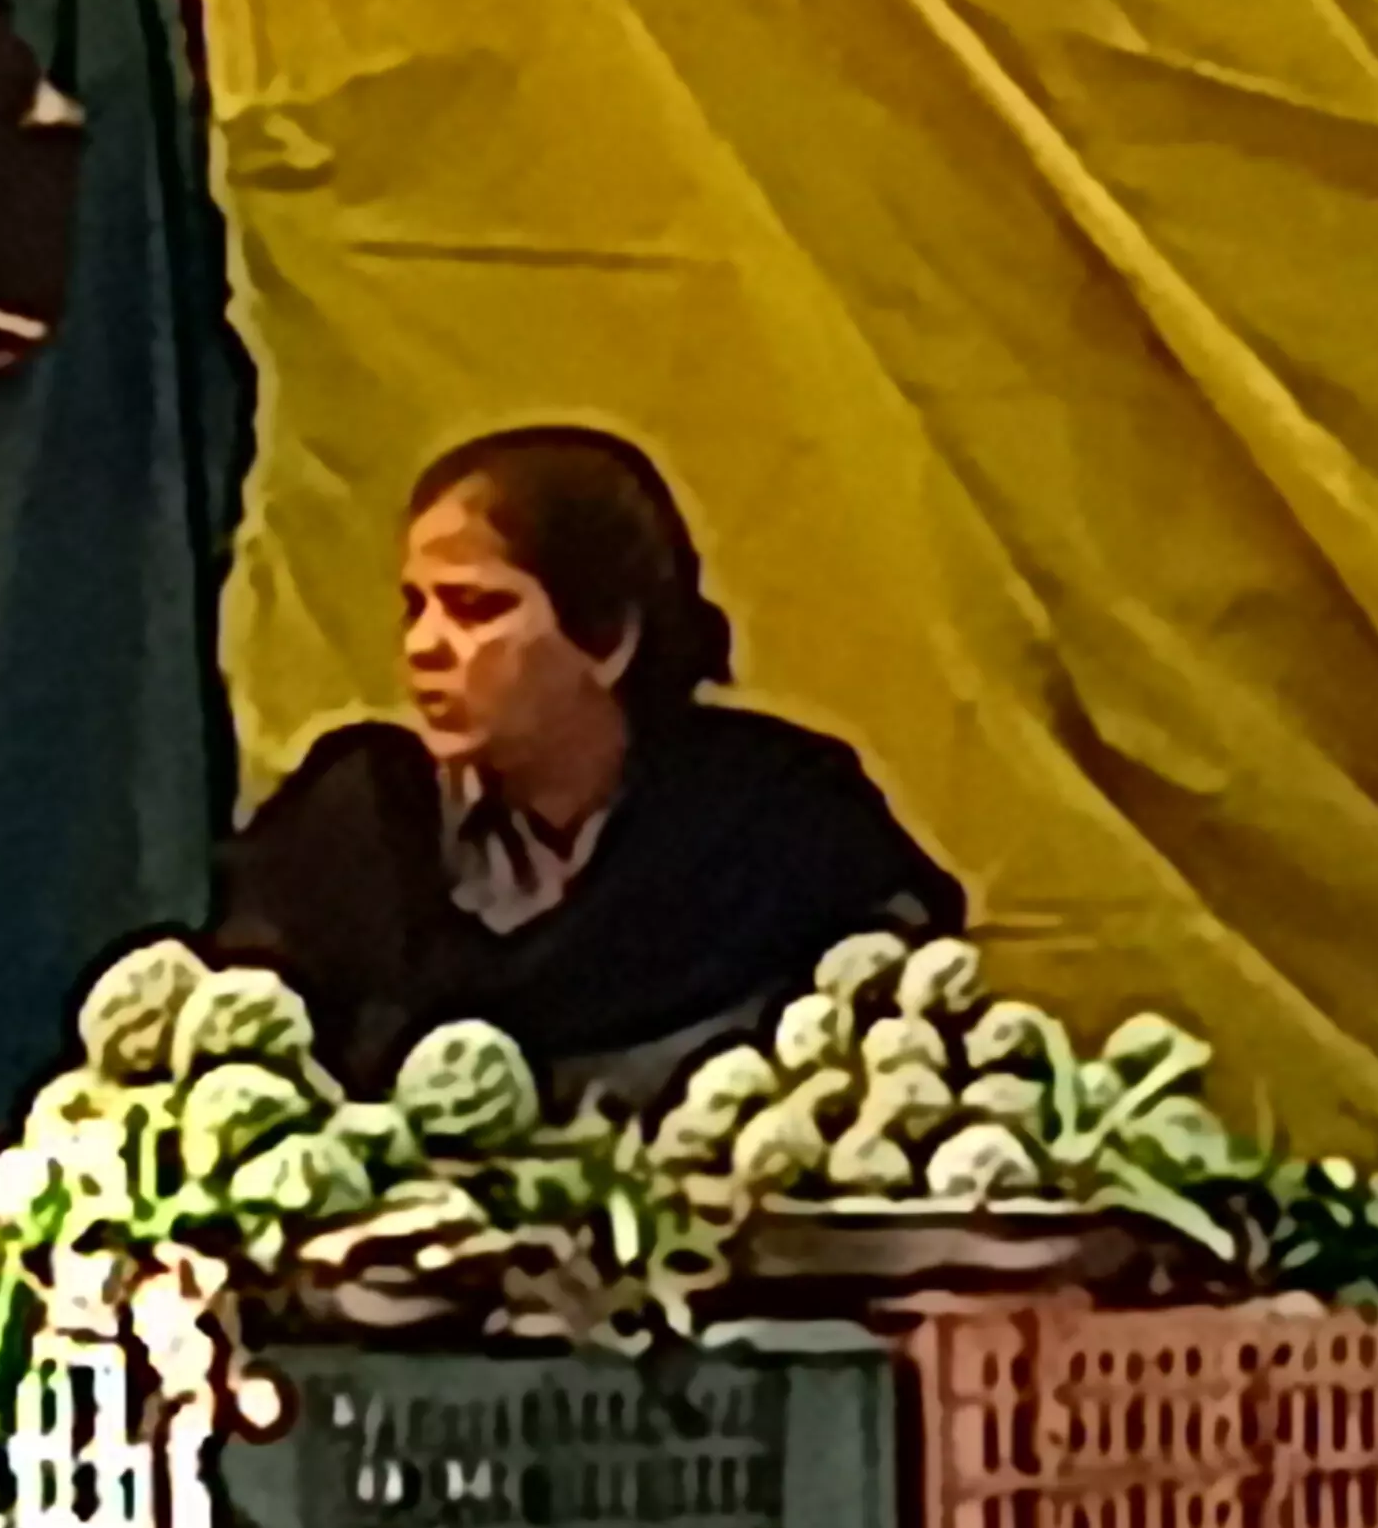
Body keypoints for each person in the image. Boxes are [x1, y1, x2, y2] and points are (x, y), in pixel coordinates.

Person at [212, 427, 962, 1106]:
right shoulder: (357, 825)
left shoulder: (776, 823)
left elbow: (905, 1057)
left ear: (607, 639)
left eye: (475, 607)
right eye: (417, 606)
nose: (424, 646)